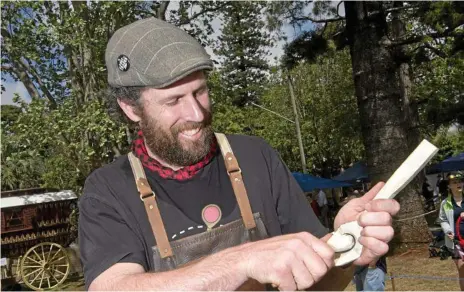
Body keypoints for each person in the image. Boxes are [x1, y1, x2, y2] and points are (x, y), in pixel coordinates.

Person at [78, 17, 400, 291]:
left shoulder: (254, 156)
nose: (196, 112)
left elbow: (318, 283)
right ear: (131, 108)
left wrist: (346, 248)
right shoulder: (107, 190)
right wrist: (242, 260)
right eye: (173, 100)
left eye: (200, 91)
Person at [438, 172, 464, 290]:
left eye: (460, 181)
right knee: (462, 270)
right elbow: (442, 219)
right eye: (455, 182)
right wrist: (448, 231)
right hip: (456, 242)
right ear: (449, 186)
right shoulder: (445, 203)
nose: (459, 183)